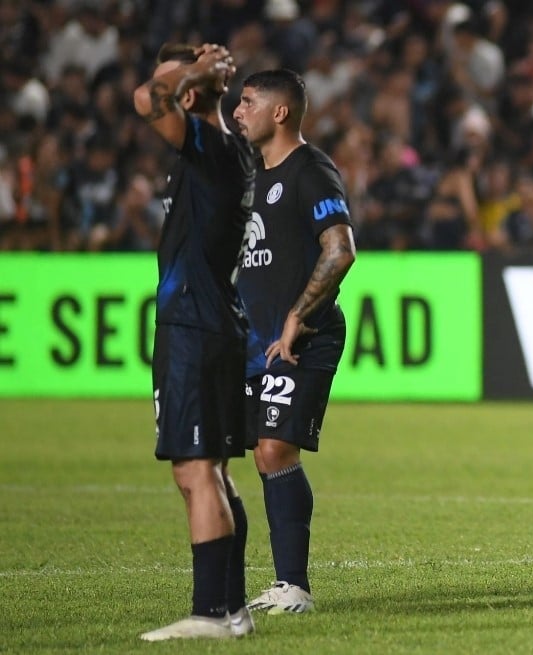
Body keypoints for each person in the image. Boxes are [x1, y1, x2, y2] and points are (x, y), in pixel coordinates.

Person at [134, 43, 257, 641]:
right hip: (214, 323)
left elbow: (145, 99)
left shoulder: (211, 150)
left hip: (195, 325)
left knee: (194, 470)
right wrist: (202, 78)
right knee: (213, 469)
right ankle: (232, 610)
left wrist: (199, 76)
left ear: (187, 97)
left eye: (175, 84)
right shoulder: (223, 154)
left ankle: (211, 613)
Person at [231, 68, 357, 614]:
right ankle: (257, 584)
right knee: (256, 456)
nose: (238, 111)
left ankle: (294, 585)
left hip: (303, 337)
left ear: (279, 112)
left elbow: (340, 249)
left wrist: (297, 317)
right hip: (253, 340)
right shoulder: (252, 177)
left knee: (275, 448)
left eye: (248, 101)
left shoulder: (311, 170)